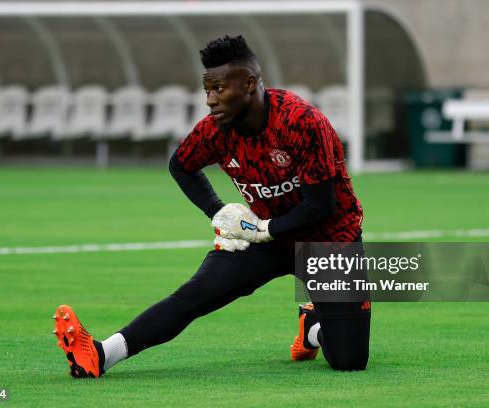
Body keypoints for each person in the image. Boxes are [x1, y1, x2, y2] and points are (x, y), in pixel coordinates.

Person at [53, 35, 369, 378]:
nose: (210, 100)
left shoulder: (301, 121)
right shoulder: (215, 131)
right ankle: (101, 354)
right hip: (264, 241)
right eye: (207, 90)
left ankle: (312, 326)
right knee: (195, 295)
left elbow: (321, 206)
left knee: (349, 360)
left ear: (249, 83)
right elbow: (181, 166)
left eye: (218, 88)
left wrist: (264, 229)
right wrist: (217, 211)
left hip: (329, 240)